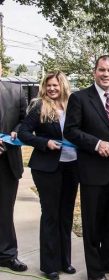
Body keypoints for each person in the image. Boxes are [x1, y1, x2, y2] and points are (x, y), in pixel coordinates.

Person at [64, 55, 109, 280]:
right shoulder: (79, 98)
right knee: (93, 225)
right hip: (93, 172)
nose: (106, 74)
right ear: (94, 72)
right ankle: (95, 272)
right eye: (102, 70)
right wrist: (96, 144)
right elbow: (71, 131)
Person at [18, 71, 78, 280]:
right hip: (46, 168)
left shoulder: (73, 107)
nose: (52, 89)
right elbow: (24, 132)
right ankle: (49, 265)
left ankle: (65, 261)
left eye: (56, 85)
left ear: (63, 86)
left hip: (71, 167)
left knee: (66, 215)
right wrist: (45, 142)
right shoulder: (39, 106)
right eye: (49, 85)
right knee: (51, 215)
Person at [0, 61, 28, 272]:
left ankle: (7, 254)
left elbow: (23, 121)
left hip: (7, 161)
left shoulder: (15, 90)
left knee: (5, 210)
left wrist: (16, 132)